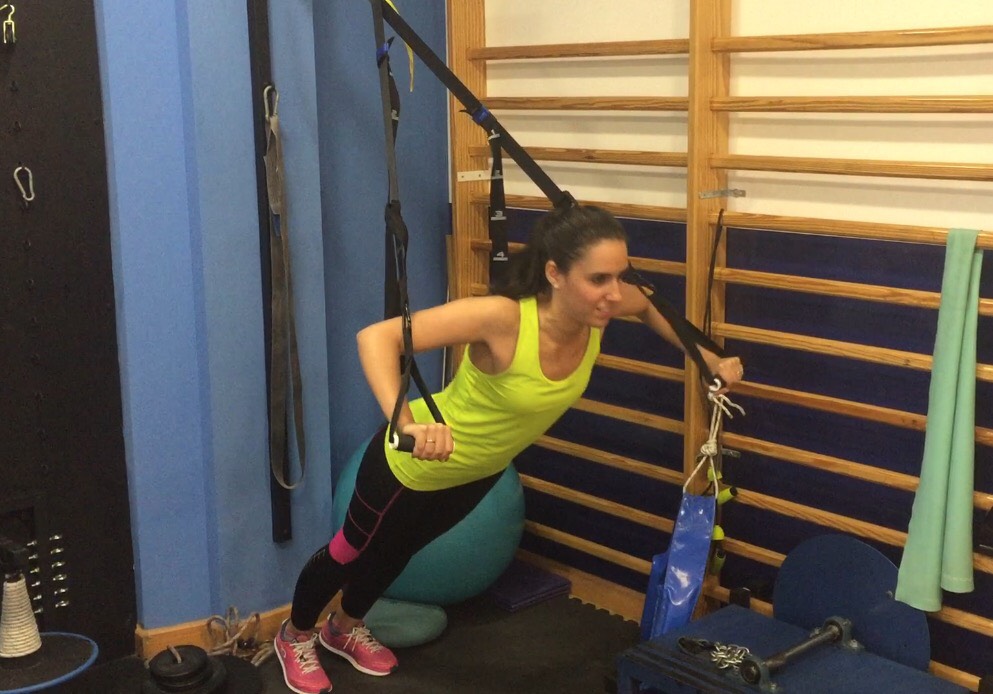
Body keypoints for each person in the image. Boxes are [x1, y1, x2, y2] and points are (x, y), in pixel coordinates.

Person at [273, 204, 744, 694]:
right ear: (555, 274)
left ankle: (342, 629)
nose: (614, 292)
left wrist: (707, 358)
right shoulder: (504, 318)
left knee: (399, 552)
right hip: (409, 467)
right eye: (598, 278)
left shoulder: (598, 309)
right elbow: (377, 337)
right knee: (349, 553)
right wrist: (405, 422)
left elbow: (646, 303)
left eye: (618, 276)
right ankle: (295, 635)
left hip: (478, 473)